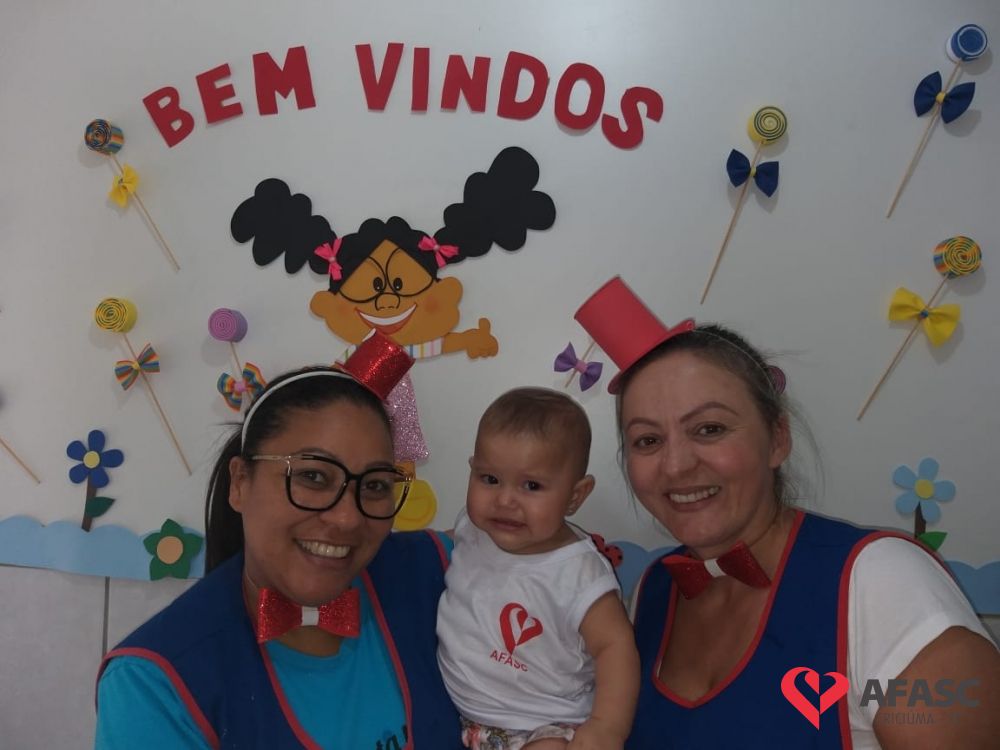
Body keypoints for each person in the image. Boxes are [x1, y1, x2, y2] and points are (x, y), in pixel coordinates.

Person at [574, 277, 1000, 750]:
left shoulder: (882, 584)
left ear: (777, 438)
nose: (675, 465)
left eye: (709, 428)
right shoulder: (651, 592)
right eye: (648, 440)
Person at [94, 334, 464, 749]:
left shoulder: (432, 574)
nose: (347, 518)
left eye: (375, 485)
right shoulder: (154, 685)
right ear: (240, 482)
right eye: (313, 476)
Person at [436, 387, 640, 750]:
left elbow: (615, 647)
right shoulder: (472, 529)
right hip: (456, 711)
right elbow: (435, 546)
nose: (505, 500)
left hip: (542, 725)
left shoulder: (579, 574)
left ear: (575, 496)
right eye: (489, 479)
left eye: (531, 486)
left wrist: (607, 727)